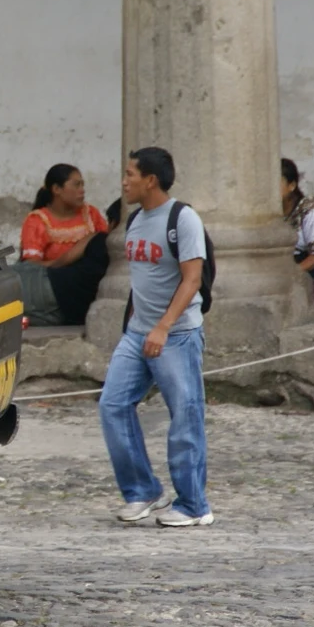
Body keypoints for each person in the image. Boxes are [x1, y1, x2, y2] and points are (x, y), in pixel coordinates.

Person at [99, 147, 212, 527]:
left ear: (151, 180)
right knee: (112, 405)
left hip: (177, 335)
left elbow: (192, 278)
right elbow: (142, 281)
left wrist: (163, 327)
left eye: (130, 174)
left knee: (185, 415)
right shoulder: (134, 219)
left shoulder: (183, 219)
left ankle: (194, 505)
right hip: (136, 334)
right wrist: (137, 326)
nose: (124, 180)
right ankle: (142, 490)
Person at [14, 164, 111, 326]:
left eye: (83, 184)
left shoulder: (91, 214)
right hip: (50, 284)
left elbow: (103, 246)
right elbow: (31, 266)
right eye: (76, 184)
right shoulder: (38, 220)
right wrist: (65, 260)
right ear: (57, 189)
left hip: (84, 287)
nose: (82, 190)